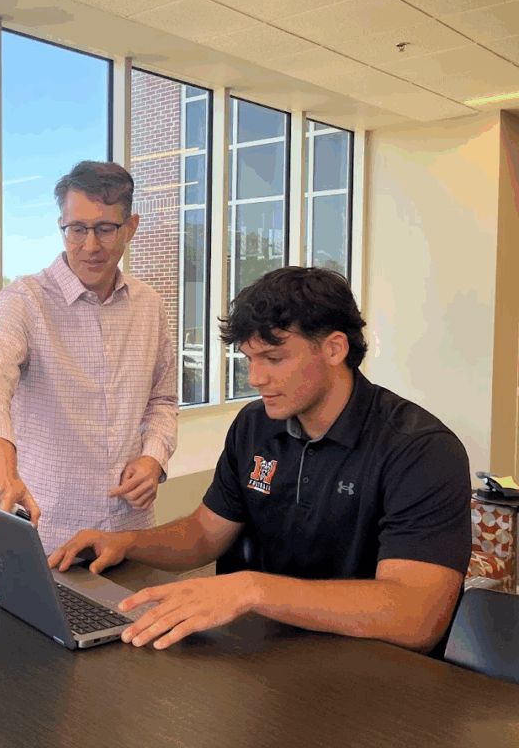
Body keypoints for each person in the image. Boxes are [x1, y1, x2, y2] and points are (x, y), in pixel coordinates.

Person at [49, 266, 471, 657]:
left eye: (273, 359)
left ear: (334, 348)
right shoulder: (255, 425)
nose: (255, 378)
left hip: (371, 671)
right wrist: (126, 543)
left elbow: (416, 616)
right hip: (262, 655)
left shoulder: (420, 449)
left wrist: (251, 590)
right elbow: (205, 533)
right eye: (248, 359)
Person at [0, 161, 180, 555]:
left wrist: (153, 458)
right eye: (77, 229)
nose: (90, 246)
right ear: (61, 226)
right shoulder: (25, 300)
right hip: (47, 532)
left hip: (127, 530)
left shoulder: (150, 306)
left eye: (105, 229)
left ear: (130, 227)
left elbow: (162, 400)